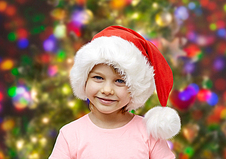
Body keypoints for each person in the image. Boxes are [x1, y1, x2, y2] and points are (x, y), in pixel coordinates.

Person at [49, 26, 181, 159]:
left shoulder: (149, 134)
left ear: (135, 87)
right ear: (84, 79)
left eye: (119, 81)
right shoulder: (70, 134)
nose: (107, 90)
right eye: (98, 78)